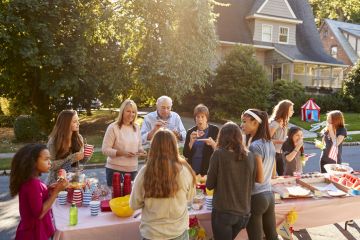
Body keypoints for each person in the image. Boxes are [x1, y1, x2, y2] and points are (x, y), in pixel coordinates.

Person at [130, 129, 196, 240]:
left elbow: (134, 204)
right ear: (174, 146)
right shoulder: (185, 170)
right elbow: (190, 198)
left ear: (153, 147)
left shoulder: (145, 172)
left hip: (152, 233)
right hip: (178, 232)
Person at [206, 122, 256, 240]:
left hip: (224, 212)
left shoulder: (218, 154)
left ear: (221, 136)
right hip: (244, 213)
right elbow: (252, 184)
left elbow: (209, 185)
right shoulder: (250, 155)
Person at [9, 144, 68, 240]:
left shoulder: (32, 180)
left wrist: (47, 190)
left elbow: (36, 199)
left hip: (32, 232)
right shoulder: (33, 183)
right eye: (46, 159)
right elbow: (39, 213)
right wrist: (56, 192)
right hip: (34, 234)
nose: (50, 162)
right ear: (32, 162)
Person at [241, 109, 278, 240]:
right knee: (272, 236)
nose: (242, 125)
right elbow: (273, 174)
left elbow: (259, 178)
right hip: (269, 196)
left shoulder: (254, 146)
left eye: (244, 121)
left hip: (256, 198)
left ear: (255, 122)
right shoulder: (270, 143)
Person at [102, 99, 146, 186]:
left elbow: (139, 146)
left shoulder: (136, 127)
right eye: (128, 111)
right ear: (122, 112)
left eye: (133, 112)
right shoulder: (113, 127)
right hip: (114, 170)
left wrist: (141, 151)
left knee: (130, 198)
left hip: (132, 170)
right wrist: (122, 153)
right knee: (115, 198)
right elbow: (105, 150)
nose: (131, 114)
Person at [47, 110, 85, 185]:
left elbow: (82, 162)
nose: (78, 123)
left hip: (75, 181)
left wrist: (86, 155)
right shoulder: (53, 141)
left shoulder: (79, 138)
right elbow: (50, 165)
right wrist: (72, 158)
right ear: (66, 124)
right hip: (56, 183)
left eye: (78, 120)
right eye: (74, 121)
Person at [183, 104, 219, 175]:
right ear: (195, 119)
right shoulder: (191, 132)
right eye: (198, 117)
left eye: (202, 117)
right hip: (192, 169)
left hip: (207, 170)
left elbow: (219, 153)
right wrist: (191, 142)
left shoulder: (214, 130)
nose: (200, 119)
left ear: (207, 118)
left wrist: (213, 144)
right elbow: (186, 154)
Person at [269, 100, 294, 176]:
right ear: (285, 110)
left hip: (280, 153)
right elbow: (266, 140)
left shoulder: (285, 123)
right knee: (272, 176)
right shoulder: (275, 124)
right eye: (291, 110)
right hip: (272, 154)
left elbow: (281, 137)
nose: (293, 111)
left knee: (283, 175)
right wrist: (282, 141)